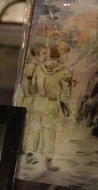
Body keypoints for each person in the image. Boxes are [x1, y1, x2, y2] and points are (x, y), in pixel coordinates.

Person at [32, 42, 75, 172]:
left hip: (37, 102)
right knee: (49, 133)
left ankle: (32, 157)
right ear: (61, 55)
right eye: (66, 55)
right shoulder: (64, 72)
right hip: (50, 105)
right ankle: (48, 162)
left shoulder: (39, 67)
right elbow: (66, 95)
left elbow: (32, 86)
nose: (67, 58)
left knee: (35, 129)